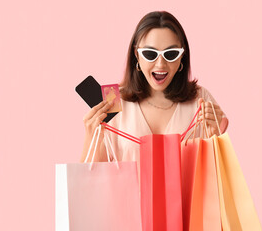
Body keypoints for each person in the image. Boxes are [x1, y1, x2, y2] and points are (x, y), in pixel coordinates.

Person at [80, 11, 229, 164]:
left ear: (182, 56)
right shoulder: (112, 99)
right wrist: (91, 135)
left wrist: (214, 140)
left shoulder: (200, 99)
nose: (160, 64)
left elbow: (218, 175)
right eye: (150, 54)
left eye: (171, 54)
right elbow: (91, 178)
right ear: (136, 55)